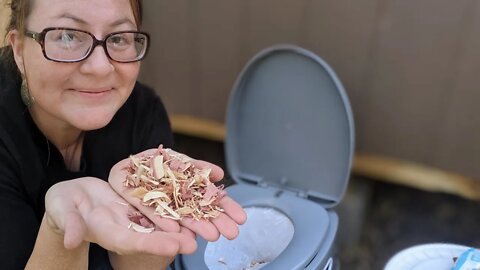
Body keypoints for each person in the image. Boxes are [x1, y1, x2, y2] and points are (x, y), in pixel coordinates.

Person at [0, 0, 247, 269]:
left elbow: (140, 262)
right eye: (68, 36)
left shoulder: (143, 110)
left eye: (118, 38)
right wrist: (58, 232)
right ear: (19, 49)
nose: (100, 67)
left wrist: (158, 220)